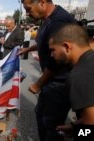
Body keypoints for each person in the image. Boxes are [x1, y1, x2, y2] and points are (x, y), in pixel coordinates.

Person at [19, 0, 77, 140]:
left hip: (59, 83)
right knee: (41, 115)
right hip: (50, 83)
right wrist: (28, 48)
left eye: (28, 9)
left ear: (42, 3)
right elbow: (44, 43)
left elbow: (56, 61)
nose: (27, 13)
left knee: (51, 125)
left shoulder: (59, 21)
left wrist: (38, 84)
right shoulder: (46, 20)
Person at [49, 24, 94, 139]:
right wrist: (74, 126)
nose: (51, 55)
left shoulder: (79, 75)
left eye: (53, 50)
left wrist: (77, 132)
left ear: (66, 47)